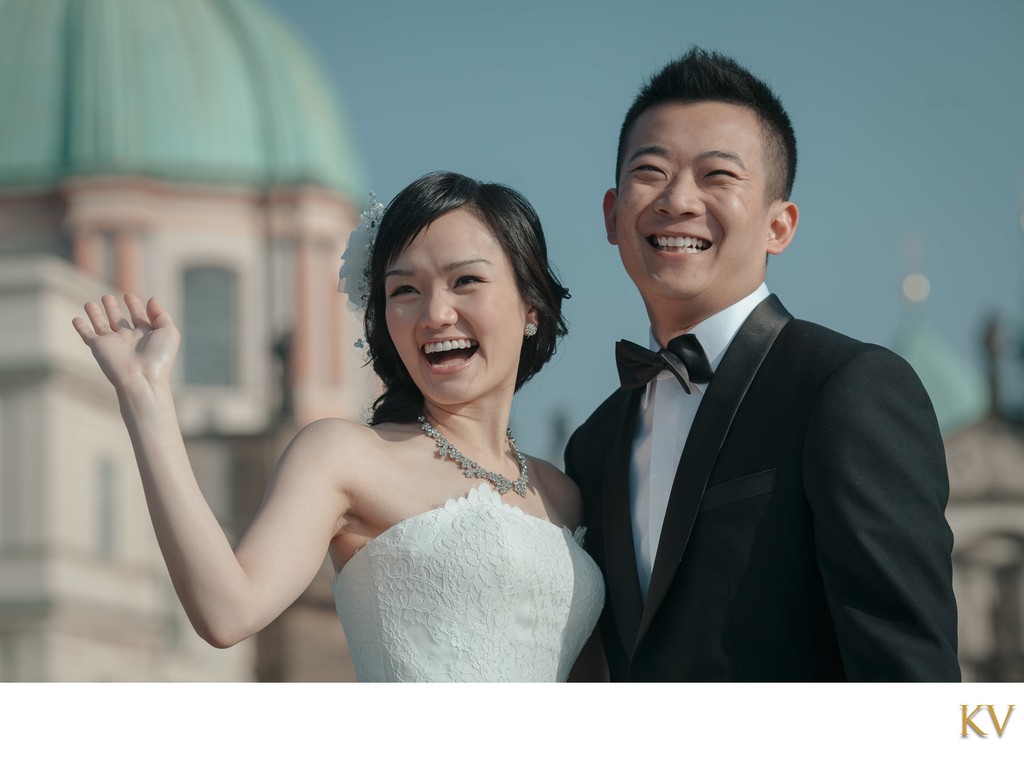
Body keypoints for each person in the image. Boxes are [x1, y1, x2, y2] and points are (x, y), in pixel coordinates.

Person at [72, 171, 604, 682]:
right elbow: (226, 612)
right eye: (404, 290)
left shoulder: (564, 492)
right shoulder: (343, 455)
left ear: (531, 304)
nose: (435, 313)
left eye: (466, 280)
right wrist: (145, 394)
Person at [564, 48, 960, 681]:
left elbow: (908, 675)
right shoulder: (591, 443)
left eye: (717, 176)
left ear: (780, 225)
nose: (677, 200)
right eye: (651, 170)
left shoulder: (846, 389)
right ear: (612, 215)